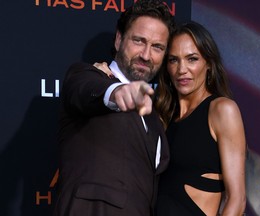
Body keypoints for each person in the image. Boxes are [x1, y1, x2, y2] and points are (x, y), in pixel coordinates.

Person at [53, 1, 175, 216]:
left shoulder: (154, 115)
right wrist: (118, 93)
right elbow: (87, 90)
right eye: (139, 40)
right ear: (119, 40)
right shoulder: (85, 76)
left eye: (157, 47)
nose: (146, 55)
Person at [154, 21, 247, 215]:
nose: (182, 69)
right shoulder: (163, 116)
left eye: (192, 59)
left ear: (209, 64)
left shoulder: (222, 110)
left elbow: (236, 199)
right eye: (173, 60)